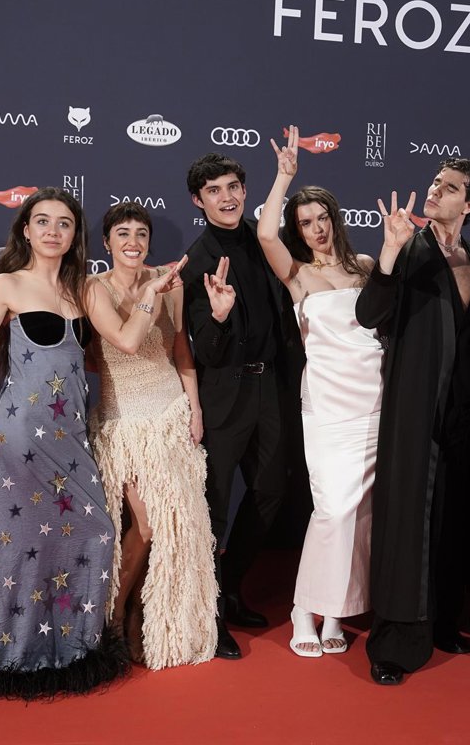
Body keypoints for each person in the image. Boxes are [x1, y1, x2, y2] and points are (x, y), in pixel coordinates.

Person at [0, 187, 173, 699]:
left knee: (95, 532)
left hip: (70, 438)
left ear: (75, 236)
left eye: (64, 223)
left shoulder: (85, 289)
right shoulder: (7, 284)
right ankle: (10, 650)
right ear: (26, 231)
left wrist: (151, 294)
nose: (53, 230)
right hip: (18, 436)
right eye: (43, 221)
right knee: (18, 543)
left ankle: (69, 647)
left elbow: (128, 340)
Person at [357, 158, 470, 686]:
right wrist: (389, 252)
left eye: (450, 187)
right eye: (436, 182)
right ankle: (394, 643)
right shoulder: (411, 249)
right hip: (415, 408)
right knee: (407, 521)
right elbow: (370, 315)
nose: (435, 190)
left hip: (463, 413)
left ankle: (442, 622)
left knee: (452, 519)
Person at [256, 126, 383, 658]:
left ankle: (335, 611)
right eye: (305, 222)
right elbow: (265, 235)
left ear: (335, 218)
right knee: (331, 507)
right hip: (328, 405)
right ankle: (302, 609)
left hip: (373, 400)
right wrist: (284, 177)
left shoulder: (366, 268)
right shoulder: (298, 276)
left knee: (360, 512)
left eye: (322, 217)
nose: (316, 229)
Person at [87, 201, 221, 669]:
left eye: (141, 233)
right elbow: (124, 341)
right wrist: (150, 292)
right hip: (125, 423)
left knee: (175, 529)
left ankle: (151, 617)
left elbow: (180, 347)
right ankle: (115, 614)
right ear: (107, 243)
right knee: (144, 526)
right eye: (122, 233)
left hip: (170, 415)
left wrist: (194, 408)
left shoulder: (170, 282)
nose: (133, 242)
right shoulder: (94, 288)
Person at [180, 152, 300, 660]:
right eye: (214, 191)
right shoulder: (196, 260)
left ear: (246, 191)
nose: (226, 198)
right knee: (213, 505)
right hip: (223, 394)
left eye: (233, 187)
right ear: (198, 200)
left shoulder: (267, 238)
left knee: (272, 490)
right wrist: (219, 317)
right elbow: (204, 351)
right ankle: (210, 614)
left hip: (271, 387)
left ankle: (229, 586)